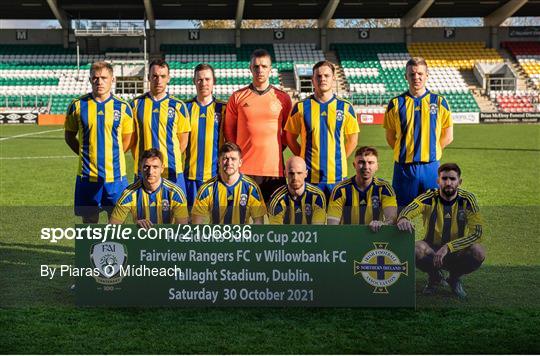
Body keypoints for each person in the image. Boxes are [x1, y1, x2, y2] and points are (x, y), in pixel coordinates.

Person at [397, 163, 485, 299]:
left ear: (459, 182)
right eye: (444, 179)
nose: (448, 183)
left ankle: (454, 278)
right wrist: (403, 218)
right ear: (438, 181)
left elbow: (477, 233)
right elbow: (409, 209)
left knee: (478, 252)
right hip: (432, 249)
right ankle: (435, 276)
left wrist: (448, 247)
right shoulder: (428, 197)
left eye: (452, 179)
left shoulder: (467, 199)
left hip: (457, 250)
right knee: (415, 249)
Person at [64, 61, 134, 223]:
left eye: (104, 78)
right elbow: (69, 137)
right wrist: (86, 155)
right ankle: (90, 249)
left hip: (116, 177)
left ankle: (114, 249)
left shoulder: (123, 107)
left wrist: (111, 157)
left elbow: (128, 139)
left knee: (116, 221)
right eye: (95, 78)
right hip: (87, 176)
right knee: (89, 221)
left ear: (112, 80)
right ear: (90, 80)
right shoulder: (77, 106)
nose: (99, 82)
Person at [223, 49, 293, 202]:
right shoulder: (237, 97)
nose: (260, 70)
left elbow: (288, 133)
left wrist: (276, 148)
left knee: (277, 219)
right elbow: (229, 132)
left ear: (270, 69)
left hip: (274, 170)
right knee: (243, 220)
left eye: (264, 66)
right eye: (256, 67)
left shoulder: (283, 98)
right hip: (244, 169)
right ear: (250, 68)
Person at [384, 57, 453, 209]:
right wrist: (406, 150)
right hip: (404, 169)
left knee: (436, 214)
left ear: (427, 75)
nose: (416, 77)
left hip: (431, 168)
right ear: (406, 76)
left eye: (420, 73)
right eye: (412, 74)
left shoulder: (440, 102)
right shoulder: (395, 103)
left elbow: (448, 136)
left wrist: (431, 150)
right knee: (401, 214)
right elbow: (390, 137)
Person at [285, 60, 359, 199]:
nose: (322, 79)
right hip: (309, 176)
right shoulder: (300, 107)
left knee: (338, 219)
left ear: (334, 78)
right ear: (313, 79)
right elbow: (290, 138)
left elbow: (352, 140)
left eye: (326, 75)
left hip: (337, 176)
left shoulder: (345, 107)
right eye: (318, 76)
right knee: (310, 218)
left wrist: (338, 158)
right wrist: (303, 160)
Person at [131, 59, 191, 194]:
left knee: (176, 214)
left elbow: (183, 141)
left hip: (172, 170)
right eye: (155, 76)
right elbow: (131, 139)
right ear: (148, 78)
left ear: (168, 78)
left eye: (163, 76)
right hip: (144, 172)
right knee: (144, 214)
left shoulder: (178, 106)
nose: (158, 80)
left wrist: (166, 159)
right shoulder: (135, 105)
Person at [110, 148, 189, 227]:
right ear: (140, 168)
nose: (150, 172)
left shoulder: (175, 193)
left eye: (155, 167)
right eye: (146, 167)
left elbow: (182, 229)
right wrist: (135, 226)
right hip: (141, 237)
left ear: (162, 168)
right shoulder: (129, 193)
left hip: (167, 237)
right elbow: (112, 227)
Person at [191, 142, 266, 224]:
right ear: (219, 162)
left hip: (242, 236)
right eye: (225, 159)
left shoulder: (251, 188)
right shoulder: (207, 189)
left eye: (233, 159)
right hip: (216, 236)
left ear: (240, 162)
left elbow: (259, 223)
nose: (229, 163)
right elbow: (197, 226)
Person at [184, 63, 226, 207]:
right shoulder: (185, 108)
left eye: (207, 79)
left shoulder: (223, 108)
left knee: (218, 219)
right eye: (200, 80)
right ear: (194, 81)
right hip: (190, 175)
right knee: (191, 220)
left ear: (214, 81)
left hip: (217, 175)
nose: (203, 83)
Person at [327, 146, 397, 232]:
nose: (366, 167)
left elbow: (392, 218)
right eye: (361, 162)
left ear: (377, 166)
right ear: (354, 165)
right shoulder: (340, 190)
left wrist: (383, 224)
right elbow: (332, 224)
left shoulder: (384, 188)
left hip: (374, 238)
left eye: (370, 162)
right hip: (346, 239)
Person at [268, 156, 326, 225]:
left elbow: (317, 231)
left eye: (299, 173)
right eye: (291, 173)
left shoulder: (317, 196)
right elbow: (277, 233)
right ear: (285, 173)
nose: (295, 178)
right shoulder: (277, 199)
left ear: (306, 174)